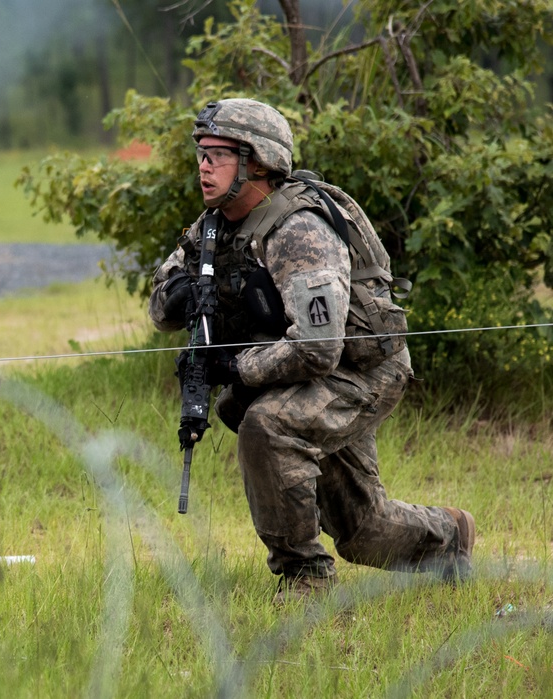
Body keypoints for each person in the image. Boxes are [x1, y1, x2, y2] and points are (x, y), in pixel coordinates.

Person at [149, 98, 476, 604]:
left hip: (361, 370)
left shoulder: (299, 230)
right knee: (363, 531)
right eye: (201, 153)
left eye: (218, 154)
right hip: (313, 372)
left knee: (267, 425)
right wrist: (180, 294)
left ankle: (305, 579)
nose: (204, 165)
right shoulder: (212, 228)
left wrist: (234, 365)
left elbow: (321, 349)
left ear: (256, 161)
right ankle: (450, 537)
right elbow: (161, 301)